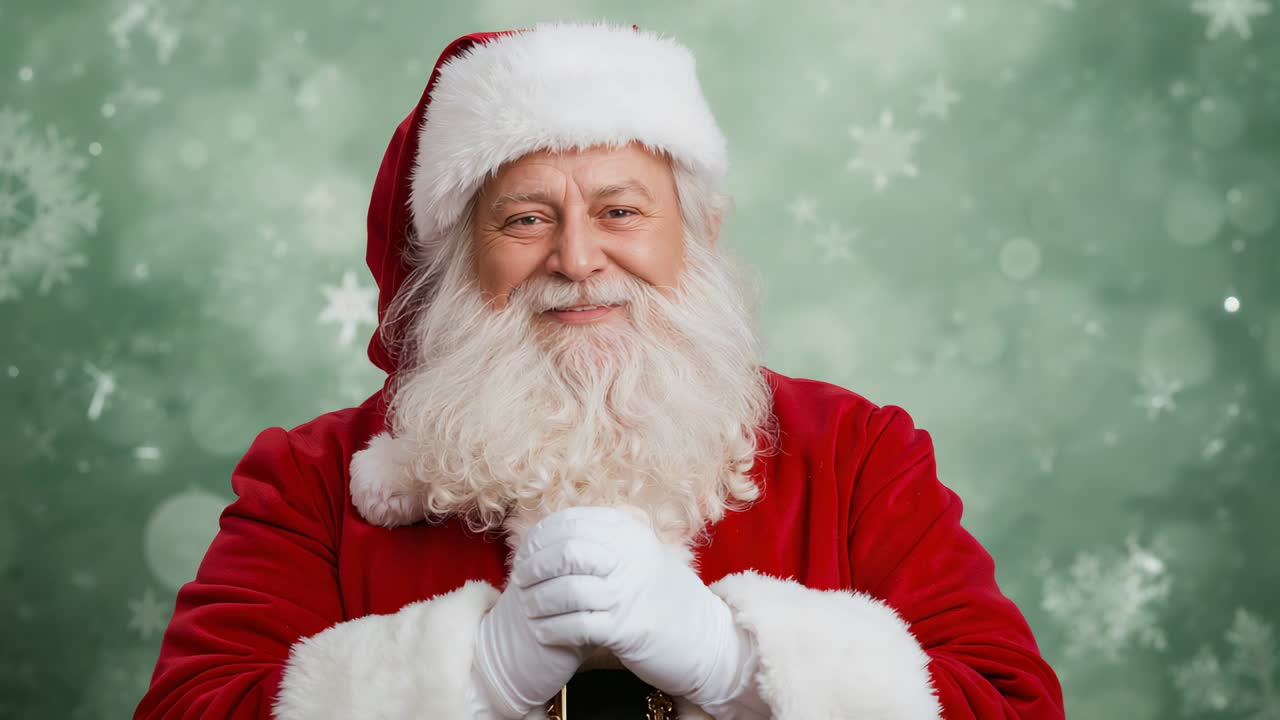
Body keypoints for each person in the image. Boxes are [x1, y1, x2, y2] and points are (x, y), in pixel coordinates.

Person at [133, 21, 1065, 720]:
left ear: (693, 234)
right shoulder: (313, 479)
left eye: (621, 211)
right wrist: (469, 678)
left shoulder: (857, 453)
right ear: (460, 259)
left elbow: (1013, 704)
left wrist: (741, 666)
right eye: (525, 219)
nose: (577, 259)